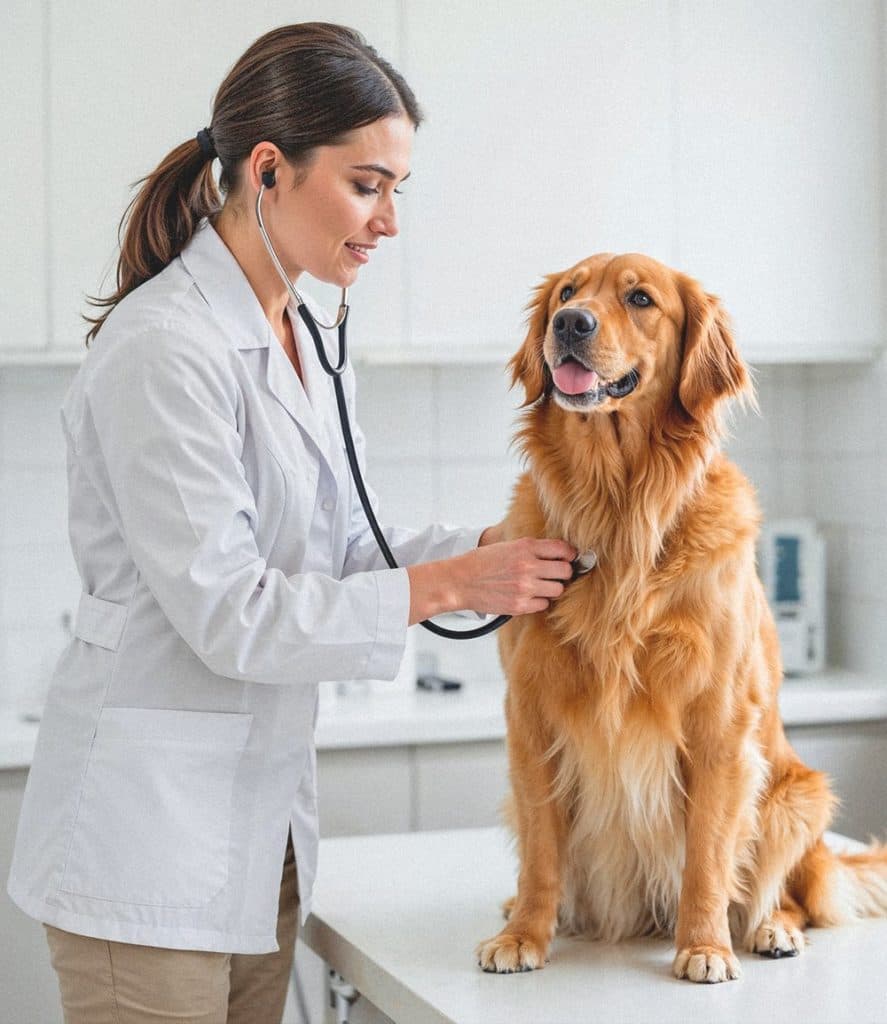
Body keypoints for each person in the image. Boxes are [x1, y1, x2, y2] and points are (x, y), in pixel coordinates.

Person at [6, 22, 576, 1024]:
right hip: (144, 858)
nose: (388, 220)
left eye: (398, 188)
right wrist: (447, 588)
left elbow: (340, 548)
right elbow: (231, 610)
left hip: (253, 844)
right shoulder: (164, 348)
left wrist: (481, 553)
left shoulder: (301, 331)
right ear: (268, 170)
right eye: (367, 184)